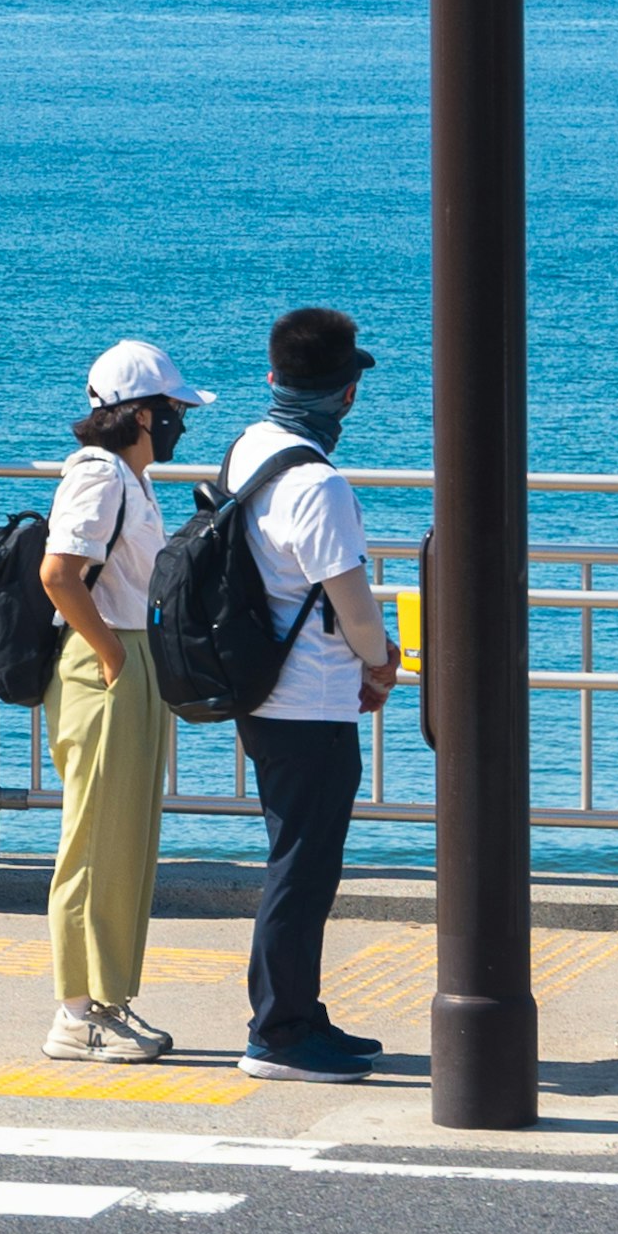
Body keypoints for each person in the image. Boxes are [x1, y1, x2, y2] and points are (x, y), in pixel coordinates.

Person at [220, 304, 403, 1082]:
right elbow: (350, 599)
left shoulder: (249, 450)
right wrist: (382, 660)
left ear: (273, 376)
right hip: (311, 699)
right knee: (304, 867)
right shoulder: (318, 483)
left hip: (260, 688)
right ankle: (282, 1032)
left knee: (293, 857)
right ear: (347, 392)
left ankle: (297, 1009)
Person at [38, 337, 208, 1062]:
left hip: (130, 654)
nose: (179, 422)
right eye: (172, 409)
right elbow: (58, 573)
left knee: (128, 840)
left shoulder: (131, 480)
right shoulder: (99, 474)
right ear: (140, 414)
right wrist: (110, 655)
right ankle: (76, 1013)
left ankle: (109, 999)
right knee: (95, 839)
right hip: (103, 659)